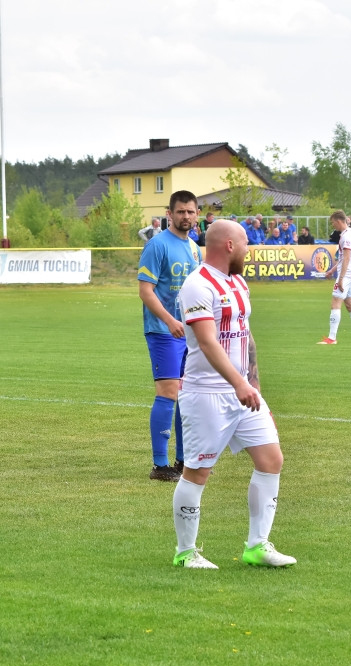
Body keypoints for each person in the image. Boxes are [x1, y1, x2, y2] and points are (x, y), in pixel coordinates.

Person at [171, 218, 296, 570]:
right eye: (244, 244)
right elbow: (208, 342)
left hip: (243, 394)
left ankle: (257, 546)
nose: (247, 250)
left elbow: (246, 335)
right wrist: (238, 384)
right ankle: (186, 552)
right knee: (198, 472)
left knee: (272, 460)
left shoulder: (239, 283)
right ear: (228, 245)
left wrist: (254, 386)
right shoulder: (197, 285)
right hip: (207, 394)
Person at [137, 189, 203, 482]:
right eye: (180, 212)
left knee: (186, 396)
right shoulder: (157, 245)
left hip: (188, 332)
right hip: (163, 331)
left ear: (197, 214)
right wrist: (169, 320)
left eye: (190, 212)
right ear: (169, 214)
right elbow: (145, 291)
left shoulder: (195, 248)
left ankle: (182, 460)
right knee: (168, 393)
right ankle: (159, 465)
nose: (185, 217)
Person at [318, 210, 351, 344]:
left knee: (335, 302)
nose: (333, 225)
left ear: (339, 221)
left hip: (346, 275)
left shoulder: (347, 237)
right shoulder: (348, 235)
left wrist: (341, 279)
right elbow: (343, 258)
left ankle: (332, 338)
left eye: (333, 223)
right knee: (350, 306)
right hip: (349, 273)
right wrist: (331, 271)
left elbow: (346, 258)